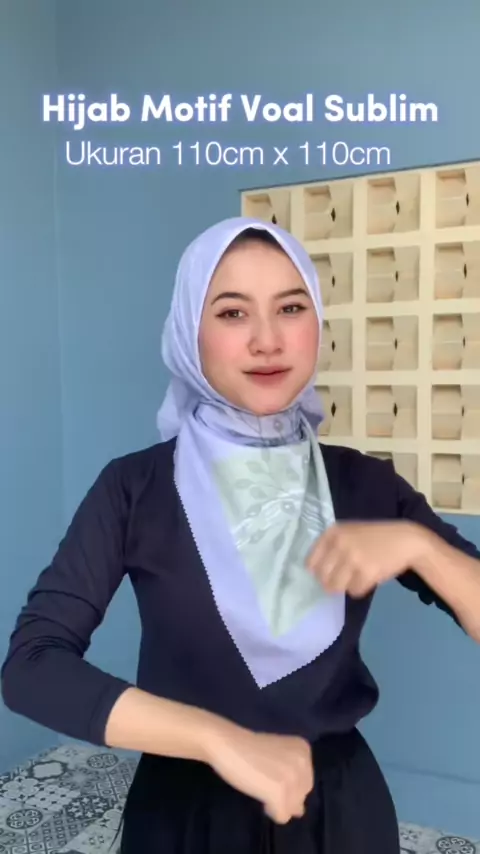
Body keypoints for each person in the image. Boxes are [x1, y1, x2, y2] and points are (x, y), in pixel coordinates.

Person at [2, 216, 480, 854]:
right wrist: (218, 740)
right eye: (232, 313)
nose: (267, 340)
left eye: (291, 308)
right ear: (189, 333)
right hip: (184, 815)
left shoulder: (365, 485)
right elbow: (32, 666)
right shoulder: (135, 488)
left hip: (339, 813)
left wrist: (422, 547)